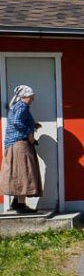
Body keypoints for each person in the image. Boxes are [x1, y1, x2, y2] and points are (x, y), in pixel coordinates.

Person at [0, 85, 41, 213]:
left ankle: (16, 203)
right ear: (23, 96)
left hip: (16, 144)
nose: (33, 98)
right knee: (24, 172)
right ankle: (21, 205)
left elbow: (18, 120)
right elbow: (17, 121)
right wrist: (29, 133)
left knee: (18, 172)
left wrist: (33, 124)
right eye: (31, 96)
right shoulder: (22, 106)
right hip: (19, 144)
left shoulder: (18, 107)